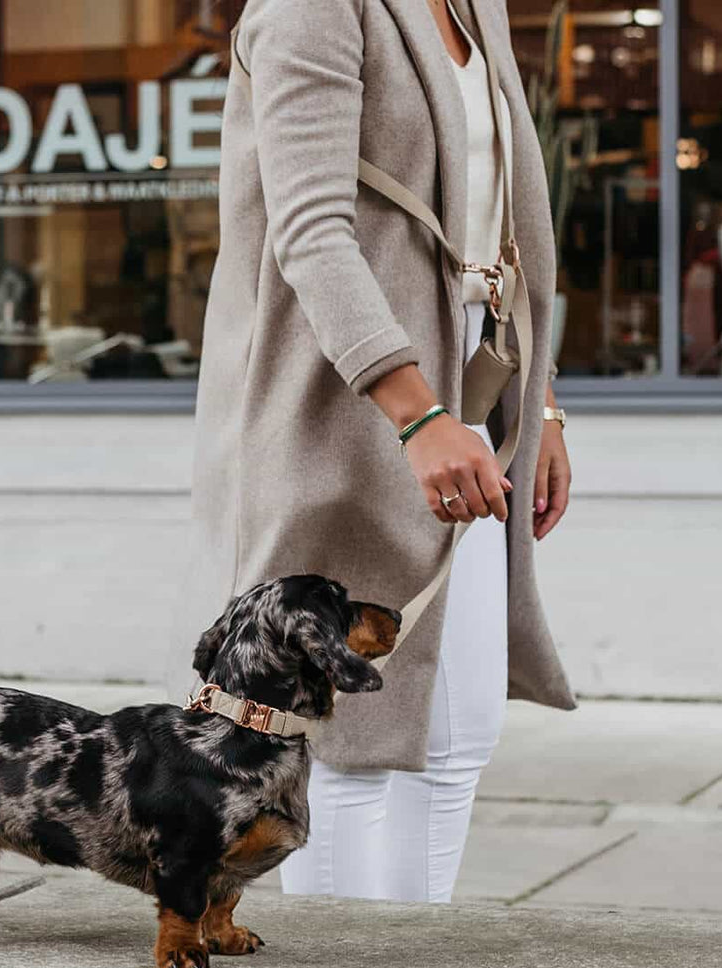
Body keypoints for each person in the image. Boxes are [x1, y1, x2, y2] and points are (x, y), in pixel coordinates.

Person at [177, 0, 576, 904]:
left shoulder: (480, 9)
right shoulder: (309, 7)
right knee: (349, 738)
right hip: (341, 402)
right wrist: (415, 413)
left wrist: (540, 403)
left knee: (458, 726)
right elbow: (311, 230)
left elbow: (504, 225)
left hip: (454, 396)